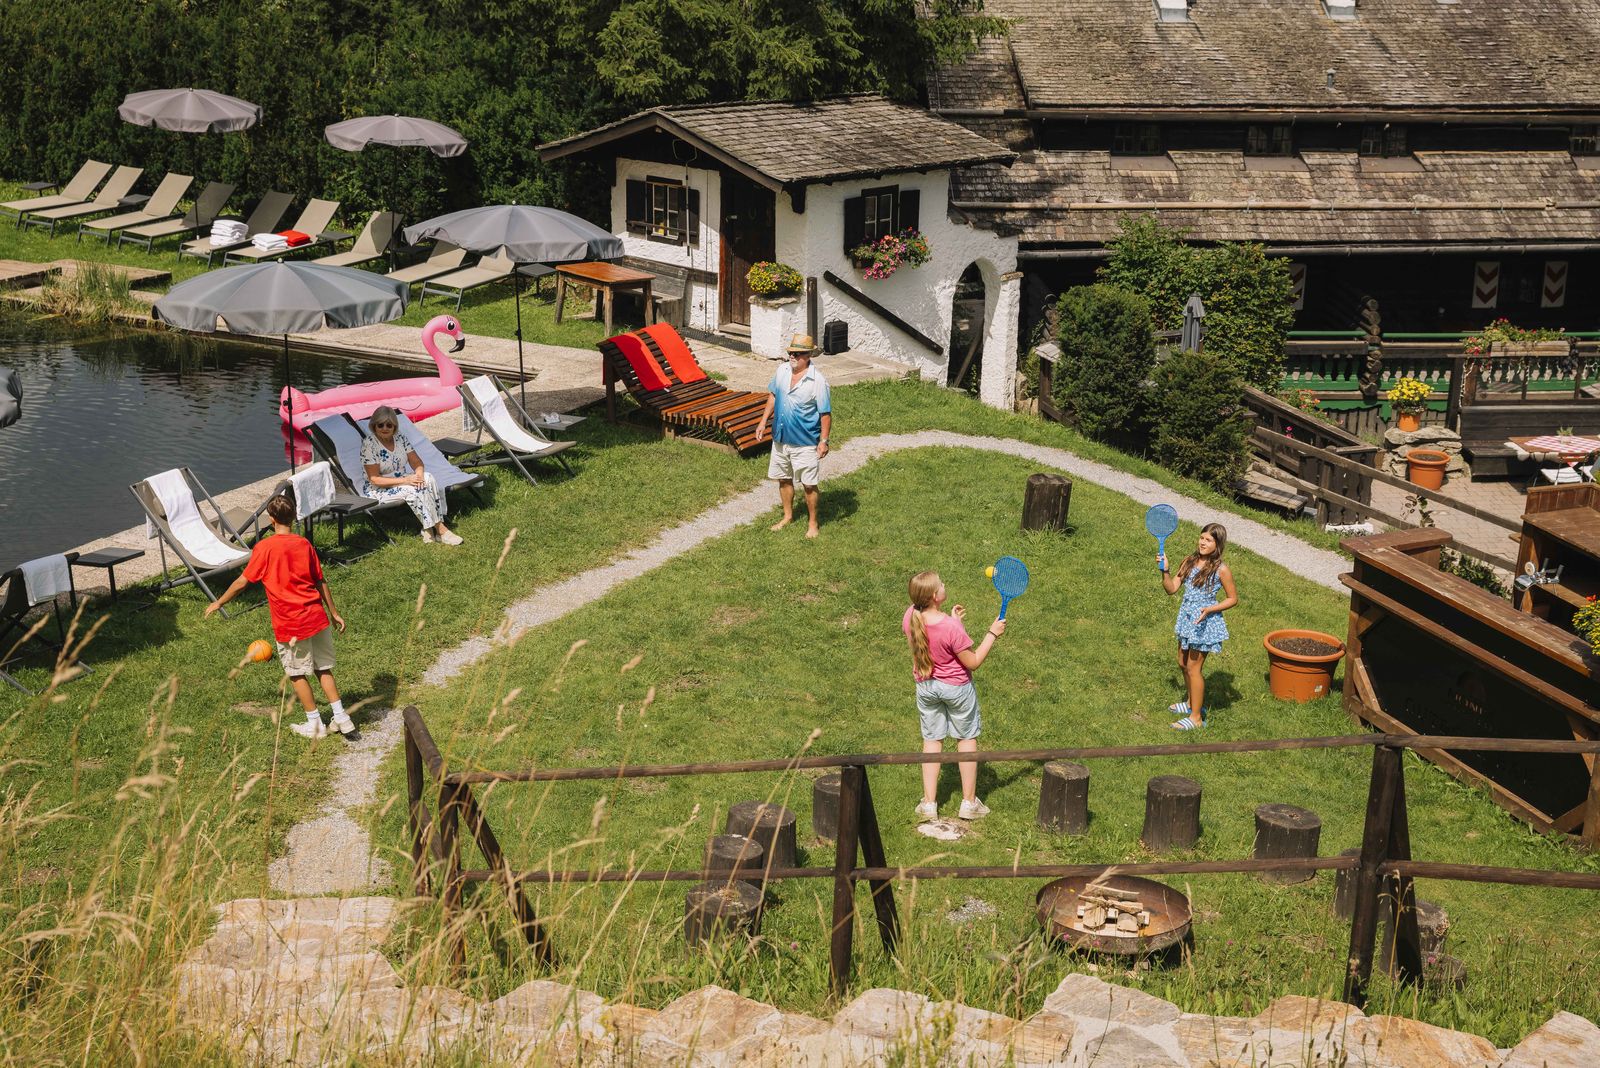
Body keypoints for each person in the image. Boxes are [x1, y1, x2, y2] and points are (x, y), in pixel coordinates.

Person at [206, 493, 354, 740]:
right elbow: (320, 580)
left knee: (296, 673)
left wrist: (219, 602)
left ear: (271, 519)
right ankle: (342, 718)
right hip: (316, 617)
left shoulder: (264, 547)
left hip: (290, 622)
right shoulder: (304, 545)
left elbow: (243, 581)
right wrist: (335, 612)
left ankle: (315, 724)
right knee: (323, 668)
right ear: (294, 516)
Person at [902, 571, 1005, 821]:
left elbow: (934, 636)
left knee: (932, 741)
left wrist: (954, 621)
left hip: (926, 687)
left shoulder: (910, 616)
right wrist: (992, 633)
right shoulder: (949, 628)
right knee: (966, 738)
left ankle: (928, 804)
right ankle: (969, 804)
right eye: (942, 584)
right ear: (936, 596)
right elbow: (973, 661)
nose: (945, 585)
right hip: (956, 689)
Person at [1159, 523, 1238, 730]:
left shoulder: (1222, 569)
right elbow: (1171, 589)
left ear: (1218, 544)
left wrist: (1211, 609)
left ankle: (1196, 718)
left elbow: (1232, 599)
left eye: (1208, 540)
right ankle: (1191, 703)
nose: (1203, 542)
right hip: (1186, 620)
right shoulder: (1189, 561)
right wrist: (1165, 571)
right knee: (1182, 663)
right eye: (1202, 538)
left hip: (1204, 623)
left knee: (1194, 668)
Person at [755, 334, 831, 539]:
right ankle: (788, 516)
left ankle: (813, 523)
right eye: (791, 353)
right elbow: (773, 395)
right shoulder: (782, 371)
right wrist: (763, 422)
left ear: (809, 355)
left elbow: (825, 414)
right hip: (781, 438)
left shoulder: (818, 381)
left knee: (808, 484)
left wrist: (823, 442)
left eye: (797, 354)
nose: (793, 357)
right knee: (783, 478)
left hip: (805, 442)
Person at [360, 405, 462, 545]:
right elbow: (374, 479)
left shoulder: (400, 438)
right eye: (380, 424)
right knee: (414, 490)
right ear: (374, 425)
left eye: (389, 425)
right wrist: (406, 480)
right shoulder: (369, 444)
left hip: (403, 480)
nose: (385, 428)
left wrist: (419, 475)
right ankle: (441, 530)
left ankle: (428, 529)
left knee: (428, 478)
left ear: (394, 427)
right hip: (379, 488)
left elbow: (417, 462)